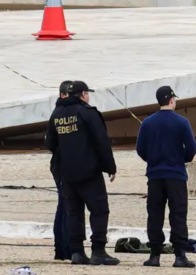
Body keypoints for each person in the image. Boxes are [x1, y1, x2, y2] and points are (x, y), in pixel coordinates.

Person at [45, 80, 119, 266]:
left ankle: (77, 252)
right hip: (89, 171)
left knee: (74, 212)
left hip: (66, 173)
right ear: (83, 94)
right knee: (99, 210)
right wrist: (110, 167)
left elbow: (50, 144)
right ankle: (98, 251)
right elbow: (101, 142)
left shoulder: (57, 114)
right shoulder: (88, 113)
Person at [136, 85, 196, 268]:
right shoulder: (182, 122)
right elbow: (192, 148)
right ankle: (180, 256)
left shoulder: (147, 122)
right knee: (178, 214)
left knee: (155, 214)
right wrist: (182, 159)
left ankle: (154, 255)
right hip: (176, 175)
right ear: (171, 100)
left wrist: (152, 160)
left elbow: (140, 149)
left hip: (155, 175)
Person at [51, 80, 72, 261]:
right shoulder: (60, 114)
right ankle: (64, 248)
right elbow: (50, 142)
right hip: (62, 165)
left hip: (59, 164)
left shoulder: (57, 113)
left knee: (63, 206)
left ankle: (62, 248)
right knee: (65, 207)